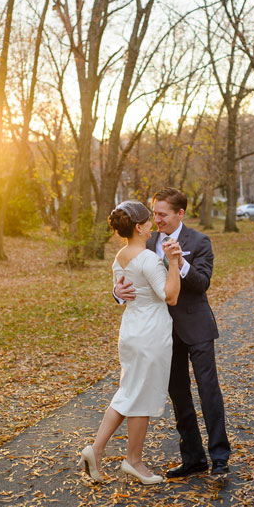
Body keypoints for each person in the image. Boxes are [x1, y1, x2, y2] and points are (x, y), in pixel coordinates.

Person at [114, 187, 232, 478]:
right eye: (154, 214)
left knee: (208, 393)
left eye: (163, 215)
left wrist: (180, 262)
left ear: (180, 213)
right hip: (162, 334)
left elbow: (202, 283)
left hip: (197, 327)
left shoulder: (199, 241)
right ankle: (193, 458)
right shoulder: (146, 241)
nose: (157, 220)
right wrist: (117, 292)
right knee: (179, 396)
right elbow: (129, 275)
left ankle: (219, 457)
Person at [78, 200, 182, 485]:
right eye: (148, 221)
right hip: (150, 332)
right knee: (141, 396)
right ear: (139, 227)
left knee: (129, 392)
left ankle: (96, 449)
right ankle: (133, 461)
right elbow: (170, 295)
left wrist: (116, 290)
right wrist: (173, 261)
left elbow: (125, 290)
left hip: (131, 329)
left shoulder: (120, 257)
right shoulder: (147, 258)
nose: (152, 225)